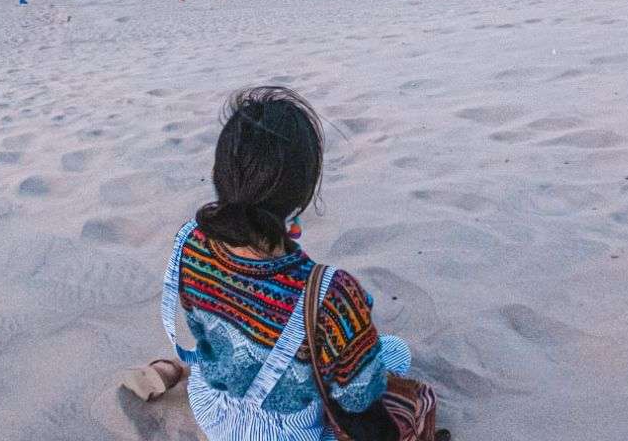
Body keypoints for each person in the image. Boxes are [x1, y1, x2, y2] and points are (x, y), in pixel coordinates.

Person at [122, 87, 414, 440]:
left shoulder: (190, 241)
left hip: (212, 407)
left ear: (222, 174)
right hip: (285, 432)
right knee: (395, 351)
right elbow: (359, 410)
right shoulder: (330, 294)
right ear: (302, 191)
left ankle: (179, 370)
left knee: (226, 347)